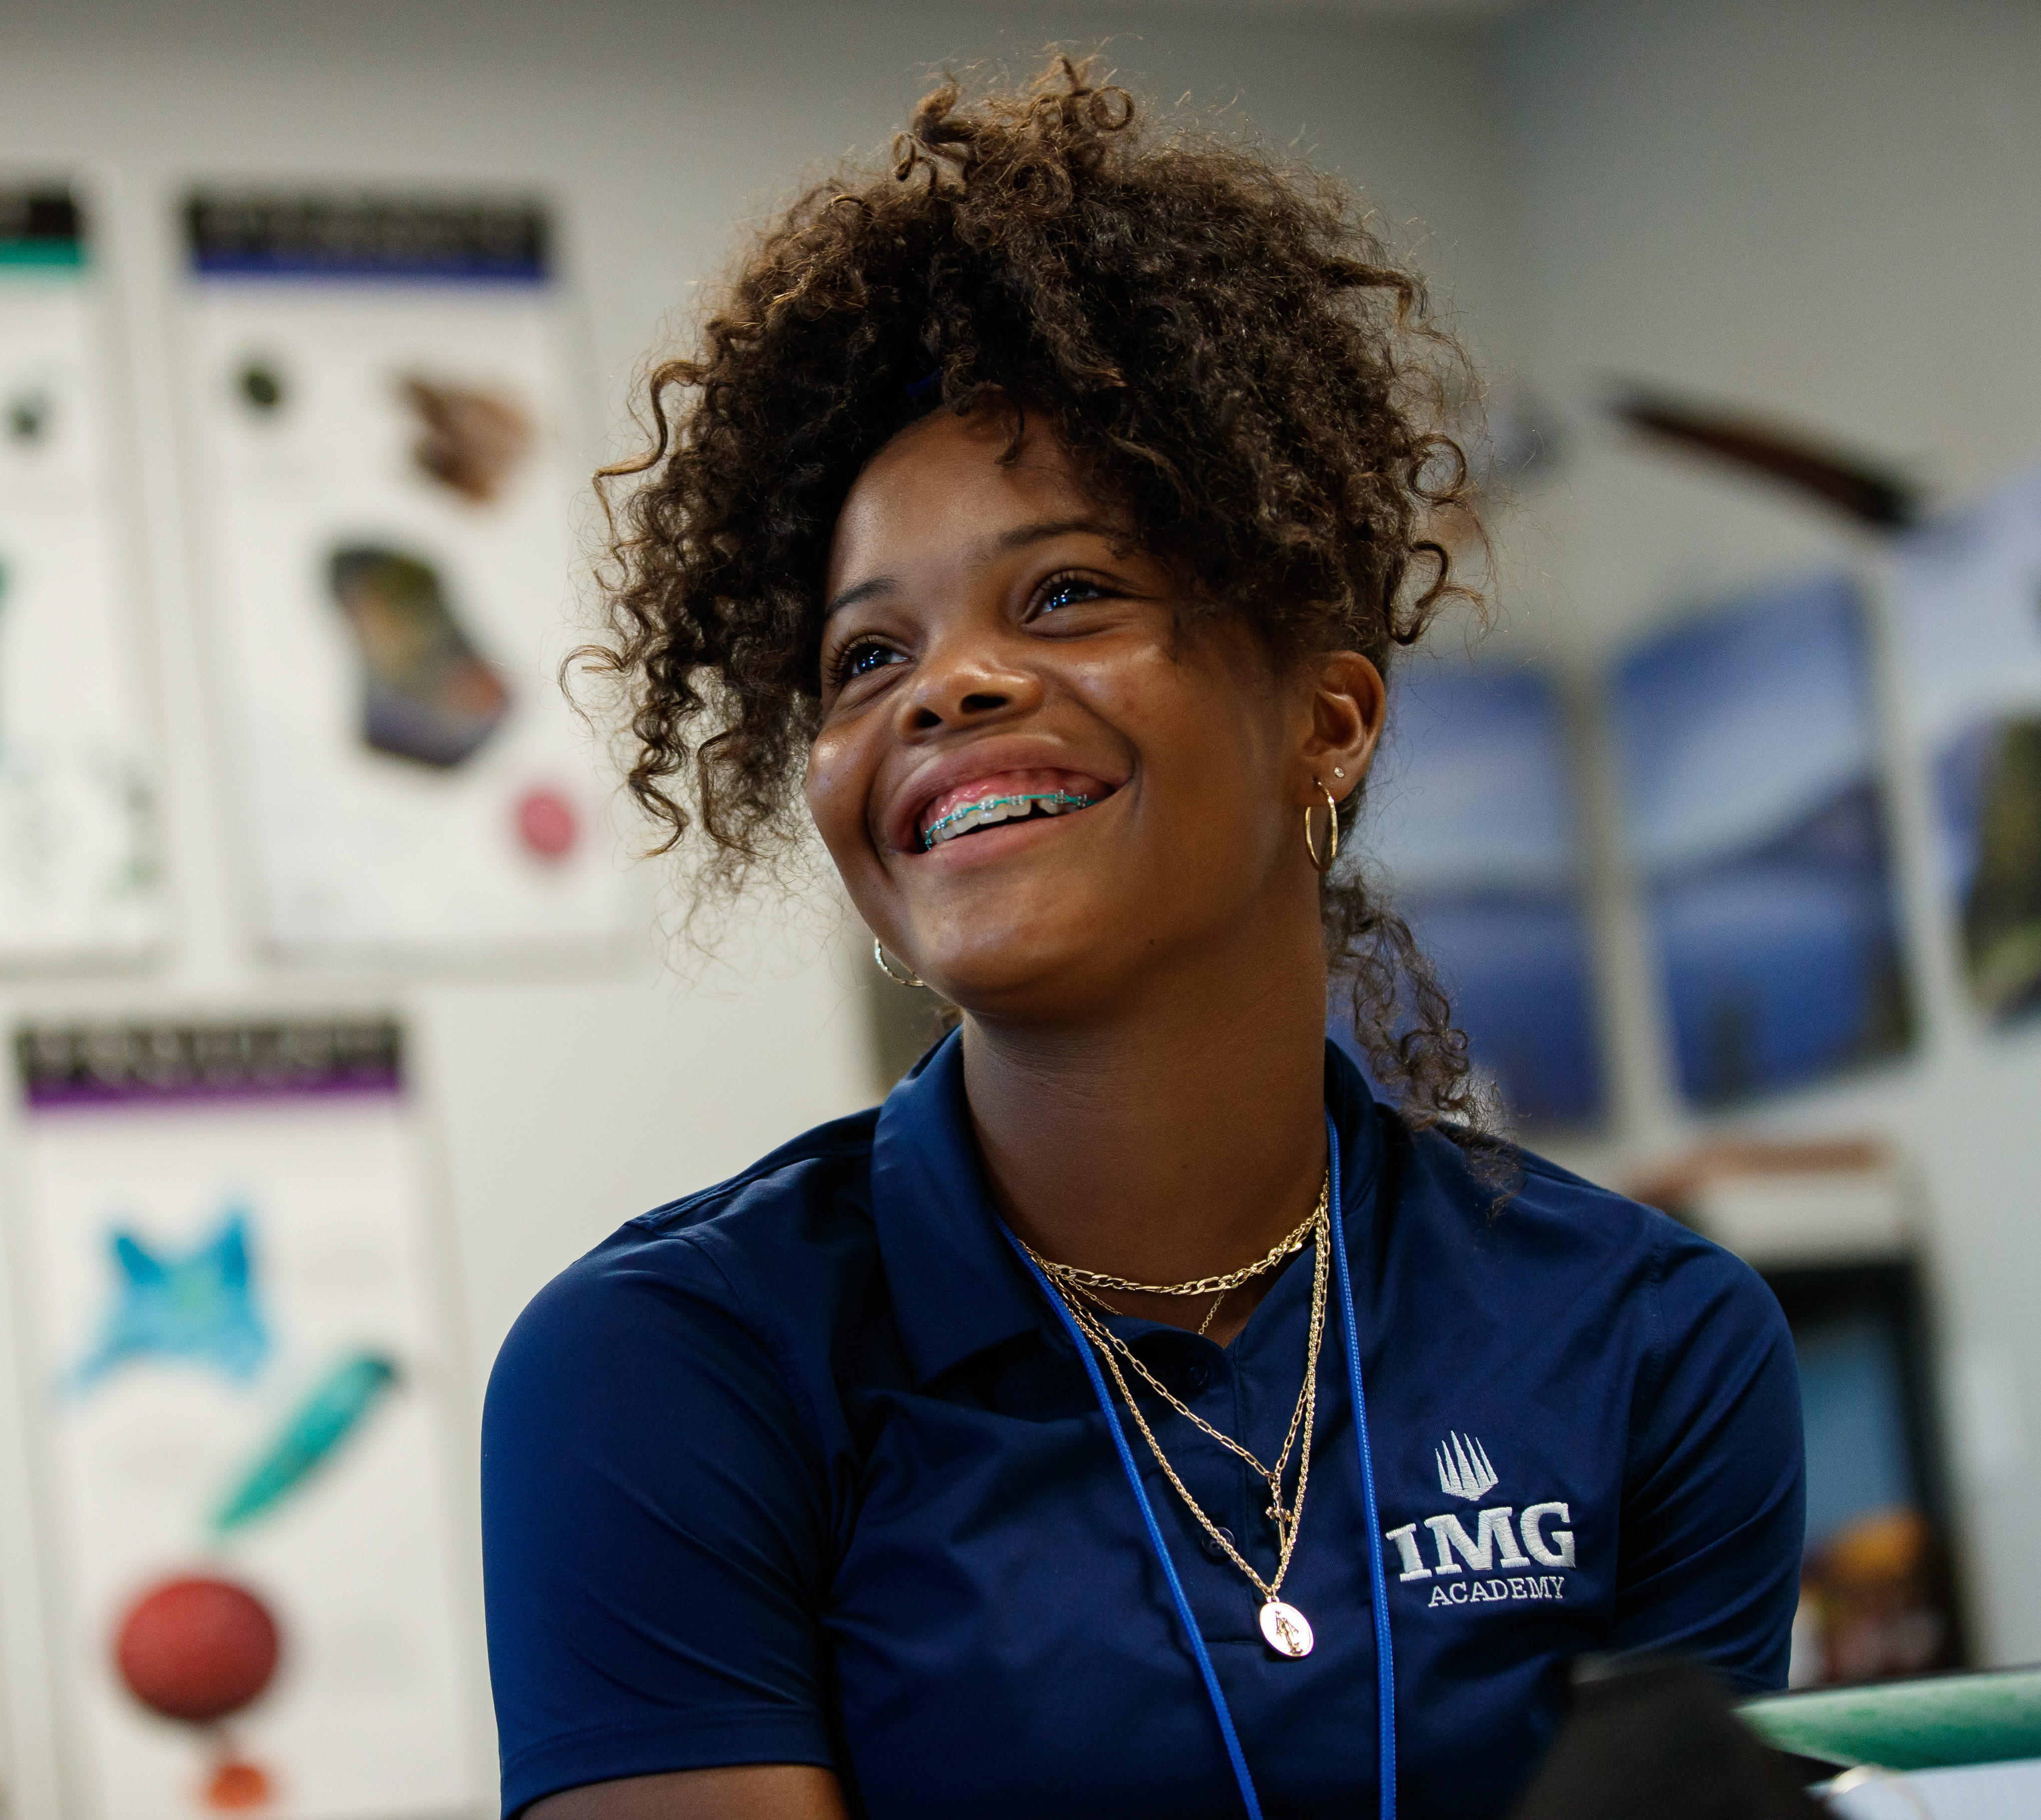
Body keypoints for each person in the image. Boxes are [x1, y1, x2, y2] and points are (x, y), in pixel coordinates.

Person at [482, 59, 1804, 1820]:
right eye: (865, 657)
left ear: (1325, 724)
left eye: (1067, 594)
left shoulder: (1648, 1345)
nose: (944, 681)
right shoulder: (666, 1377)